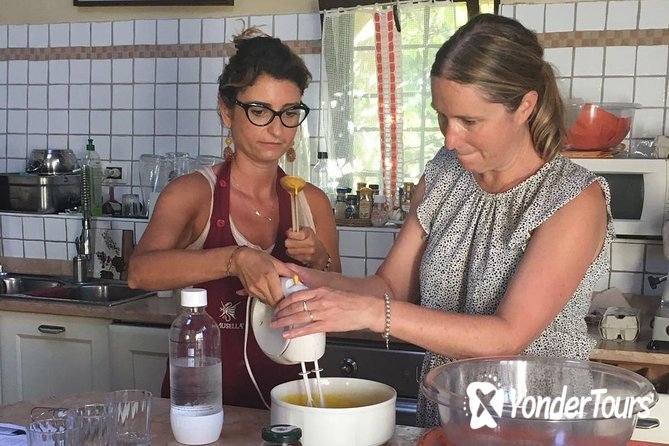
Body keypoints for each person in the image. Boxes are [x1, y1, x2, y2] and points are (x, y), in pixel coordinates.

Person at [271, 14, 614, 427]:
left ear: (525, 105)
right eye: (443, 116)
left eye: (470, 121)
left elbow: (507, 336)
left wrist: (371, 313)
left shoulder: (572, 199)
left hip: (536, 423)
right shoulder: (444, 173)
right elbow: (390, 288)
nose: (450, 138)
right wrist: (305, 280)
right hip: (447, 417)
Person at [128, 28, 341, 409]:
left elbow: (338, 296)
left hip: (292, 405)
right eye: (259, 111)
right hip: (202, 407)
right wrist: (235, 259)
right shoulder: (193, 194)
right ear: (227, 111)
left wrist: (319, 258)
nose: (277, 128)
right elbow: (140, 272)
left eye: (289, 113)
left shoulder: (311, 202)